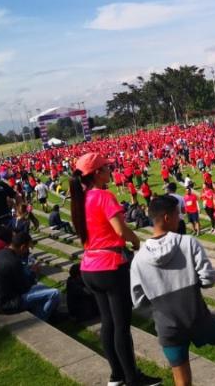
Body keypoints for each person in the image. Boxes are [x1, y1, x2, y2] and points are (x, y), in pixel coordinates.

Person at [130, 195, 215, 386]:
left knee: (181, 379)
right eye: (177, 214)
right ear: (167, 217)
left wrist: (159, 309)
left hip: (167, 325)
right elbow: (208, 278)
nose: (180, 218)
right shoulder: (188, 243)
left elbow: (138, 301)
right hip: (197, 317)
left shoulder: (138, 259)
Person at [69, 152, 161, 386]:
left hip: (89, 267)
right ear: (97, 173)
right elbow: (120, 230)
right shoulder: (103, 196)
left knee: (108, 323)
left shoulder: (81, 199)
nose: (110, 171)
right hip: (110, 266)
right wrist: (136, 241)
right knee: (121, 327)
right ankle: (132, 378)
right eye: (107, 168)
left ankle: (116, 375)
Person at [0, 231, 61, 321]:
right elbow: (24, 288)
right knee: (55, 293)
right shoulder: (14, 261)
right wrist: (34, 273)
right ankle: (39, 320)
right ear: (22, 247)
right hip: (8, 304)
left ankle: (51, 314)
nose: (28, 251)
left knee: (43, 287)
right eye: (28, 248)